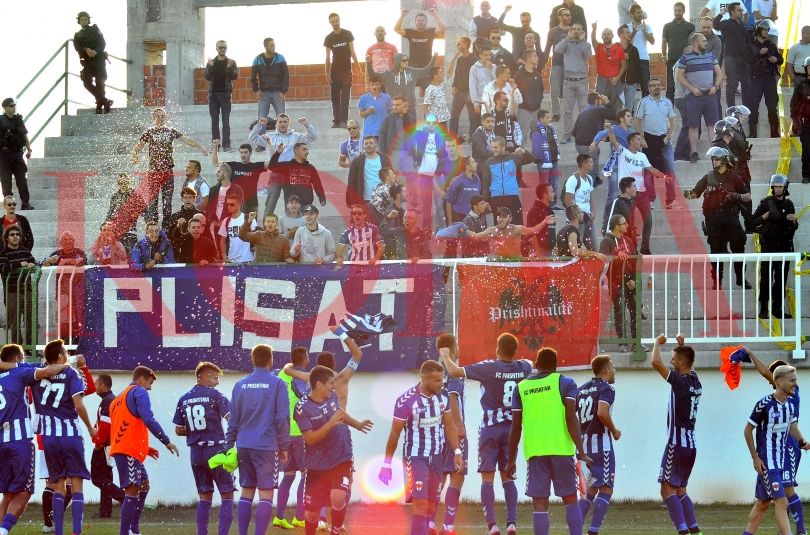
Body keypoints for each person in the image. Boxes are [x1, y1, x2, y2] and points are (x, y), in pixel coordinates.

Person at [442, 333, 533, 535]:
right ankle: (512, 523)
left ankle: (492, 526)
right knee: (508, 478)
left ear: (497, 349)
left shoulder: (489, 367)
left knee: (487, 479)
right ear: (515, 351)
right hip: (511, 430)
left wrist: (446, 356)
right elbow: (530, 363)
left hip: (490, 430)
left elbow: (454, 371)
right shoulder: (523, 367)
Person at [504, 347, 590, 535]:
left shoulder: (521, 387)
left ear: (536, 364)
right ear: (556, 366)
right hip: (562, 450)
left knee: (540, 503)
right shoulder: (565, 383)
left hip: (535, 452)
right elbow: (571, 418)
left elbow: (515, 427)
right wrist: (581, 450)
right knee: (570, 498)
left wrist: (511, 460)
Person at [380, 360, 463, 535]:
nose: (441, 383)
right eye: (437, 380)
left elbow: (449, 425)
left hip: (437, 457)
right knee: (420, 504)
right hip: (415, 457)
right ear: (424, 380)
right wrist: (387, 464)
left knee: (431, 505)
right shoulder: (406, 401)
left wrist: (457, 452)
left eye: (442, 379)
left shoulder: (443, 396)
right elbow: (394, 433)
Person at [0, 344, 70, 535]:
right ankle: (4, 530)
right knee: (24, 491)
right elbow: (48, 371)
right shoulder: (19, 372)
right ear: (17, 359)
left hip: (1, 442)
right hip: (19, 440)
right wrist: (68, 364)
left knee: (8, 494)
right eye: (22, 358)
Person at [296, 366, 373, 535]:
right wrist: (330, 424)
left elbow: (340, 414)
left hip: (341, 457)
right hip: (316, 464)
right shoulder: (302, 408)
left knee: (338, 498)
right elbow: (310, 439)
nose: (333, 386)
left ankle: (336, 531)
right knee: (312, 513)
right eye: (331, 383)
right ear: (319, 385)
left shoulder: (332, 396)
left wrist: (358, 424)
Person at [30, 340, 97, 535]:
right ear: (60, 356)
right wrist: (90, 428)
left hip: (49, 438)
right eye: (65, 353)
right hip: (70, 435)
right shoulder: (70, 373)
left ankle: (58, 531)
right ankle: (76, 531)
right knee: (76, 485)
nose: (67, 356)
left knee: (58, 486)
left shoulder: (36, 373)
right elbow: (79, 405)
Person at [223, 344, 289, 535]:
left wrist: (228, 445)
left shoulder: (240, 385)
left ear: (252, 360)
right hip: (267, 447)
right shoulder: (278, 384)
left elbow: (233, 419)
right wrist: (284, 446)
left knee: (247, 491)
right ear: (271, 360)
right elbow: (282, 418)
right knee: (266, 494)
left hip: (243, 445)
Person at [109, 366, 180, 535]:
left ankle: (134, 529)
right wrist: (166, 441)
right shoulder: (139, 391)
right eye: (149, 383)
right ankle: (125, 532)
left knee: (144, 486)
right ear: (141, 379)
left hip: (125, 449)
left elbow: (123, 427)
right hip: (128, 451)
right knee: (132, 490)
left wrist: (145, 448)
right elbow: (148, 419)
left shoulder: (117, 400)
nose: (150, 388)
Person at [744, 352, 807, 535]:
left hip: (785, 453)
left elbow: (793, 427)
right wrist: (755, 457)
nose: (796, 384)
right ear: (779, 381)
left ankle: (799, 530)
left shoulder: (789, 402)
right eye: (793, 380)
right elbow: (747, 429)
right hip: (768, 462)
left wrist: (802, 441)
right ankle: (798, 532)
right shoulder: (765, 404)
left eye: (795, 380)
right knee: (778, 501)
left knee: (767, 502)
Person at [650, 334, 703, 535]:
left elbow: (656, 363)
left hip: (677, 443)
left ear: (681, 362)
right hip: (690, 445)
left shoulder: (680, 382)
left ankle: (682, 531)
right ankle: (694, 531)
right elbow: (689, 361)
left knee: (666, 489)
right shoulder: (695, 381)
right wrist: (682, 346)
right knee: (680, 490)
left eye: (673, 358)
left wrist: (657, 343)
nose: (671, 361)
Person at [173, 362, 234, 535]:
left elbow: (178, 430)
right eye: (215, 378)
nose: (217, 382)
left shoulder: (184, 398)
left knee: (205, 496)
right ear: (206, 376)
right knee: (227, 494)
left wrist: (197, 430)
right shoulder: (215, 395)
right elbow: (232, 419)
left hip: (196, 454)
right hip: (215, 450)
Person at [684, 146, 751, 288]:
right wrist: (688, 194)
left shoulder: (734, 177)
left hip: (731, 217)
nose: (714, 161)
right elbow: (695, 193)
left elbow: (747, 196)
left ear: (725, 160)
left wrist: (737, 196)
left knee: (738, 246)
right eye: (713, 159)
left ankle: (741, 278)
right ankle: (716, 281)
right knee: (716, 249)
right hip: (713, 219)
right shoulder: (708, 177)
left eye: (717, 159)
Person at [131, 108, 209, 225]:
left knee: (167, 203)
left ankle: (166, 227)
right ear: (153, 118)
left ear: (165, 118)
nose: (160, 118)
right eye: (157, 116)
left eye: (162, 116)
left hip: (167, 173)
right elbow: (138, 146)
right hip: (154, 174)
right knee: (153, 203)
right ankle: (153, 227)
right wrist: (134, 156)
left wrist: (200, 147)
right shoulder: (149, 132)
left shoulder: (170, 131)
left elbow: (186, 140)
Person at [576, 355, 621, 533]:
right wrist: (614, 430)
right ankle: (593, 531)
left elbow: (570, 416)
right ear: (606, 370)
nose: (615, 371)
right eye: (613, 367)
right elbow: (602, 413)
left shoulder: (581, 390)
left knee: (589, 491)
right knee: (606, 488)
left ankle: (576, 529)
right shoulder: (607, 388)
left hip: (583, 447)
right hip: (602, 447)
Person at [608, 128, 669, 255]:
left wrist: (664, 176)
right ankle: (631, 248)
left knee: (648, 221)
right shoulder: (623, 152)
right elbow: (613, 142)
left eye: (640, 140)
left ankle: (645, 248)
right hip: (628, 194)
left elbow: (651, 169)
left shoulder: (642, 156)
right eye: (638, 139)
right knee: (628, 222)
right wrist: (609, 130)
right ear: (631, 141)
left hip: (641, 193)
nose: (640, 142)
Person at [432, 335, 468, 535]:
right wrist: (459, 426)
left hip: (439, 430)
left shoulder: (434, 372)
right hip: (453, 431)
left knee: (440, 476)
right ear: (453, 349)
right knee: (456, 476)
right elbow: (453, 397)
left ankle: (430, 523)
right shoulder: (453, 370)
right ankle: (447, 526)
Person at [751, 174, 798, 319]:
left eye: (780, 186)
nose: (778, 189)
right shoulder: (766, 203)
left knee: (781, 279)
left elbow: (793, 227)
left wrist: (794, 221)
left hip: (784, 246)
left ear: (785, 188)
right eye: (775, 186)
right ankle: (764, 309)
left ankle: (777, 309)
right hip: (769, 247)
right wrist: (765, 216)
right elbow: (753, 222)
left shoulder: (789, 204)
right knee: (765, 279)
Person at [676, 32, 723, 163]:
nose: (706, 43)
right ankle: (694, 152)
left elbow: (719, 73)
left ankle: (714, 152)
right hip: (693, 96)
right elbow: (679, 76)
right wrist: (692, 89)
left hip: (710, 95)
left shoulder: (711, 55)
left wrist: (715, 87)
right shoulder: (685, 58)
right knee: (693, 126)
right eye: (703, 41)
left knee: (712, 125)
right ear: (695, 43)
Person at [600, 214, 641, 350]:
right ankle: (622, 343)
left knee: (635, 310)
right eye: (624, 223)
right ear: (616, 226)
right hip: (615, 280)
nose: (627, 225)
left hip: (630, 280)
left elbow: (635, 260)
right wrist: (616, 255)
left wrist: (633, 279)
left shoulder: (628, 240)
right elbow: (603, 260)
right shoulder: (607, 241)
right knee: (620, 311)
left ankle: (636, 343)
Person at [634, 78, 677, 207]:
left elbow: (673, 122)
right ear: (649, 88)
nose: (656, 87)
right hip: (648, 140)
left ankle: (671, 200)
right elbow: (637, 121)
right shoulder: (643, 102)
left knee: (670, 169)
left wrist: (668, 137)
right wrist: (642, 139)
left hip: (664, 140)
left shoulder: (667, 102)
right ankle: (650, 200)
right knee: (648, 172)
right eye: (653, 85)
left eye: (658, 85)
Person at [90, 374, 125, 519]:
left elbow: (105, 427)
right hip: (110, 446)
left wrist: (98, 443)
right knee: (106, 478)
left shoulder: (107, 401)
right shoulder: (111, 400)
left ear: (104, 385)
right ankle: (105, 510)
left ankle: (123, 497)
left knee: (97, 478)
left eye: (97, 384)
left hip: (104, 446)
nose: (95, 387)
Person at [464, 206, 555, 260]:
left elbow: (534, 230)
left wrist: (545, 222)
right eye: (499, 217)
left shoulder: (516, 229)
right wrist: (463, 229)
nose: (500, 219)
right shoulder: (493, 230)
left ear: (510, 218)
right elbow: (476, 236)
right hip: (501, 264)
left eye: (503, 217)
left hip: (516, 263)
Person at [481, 137, 535, 224]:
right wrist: (485, 200)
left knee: (517, 225)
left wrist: (523, 151)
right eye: (492, 147)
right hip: (496, 198)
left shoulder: (514, 158)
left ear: (503, 147)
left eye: (496, 147)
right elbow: (486, 182)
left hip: (512, 197)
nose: (493, 150)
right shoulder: (489, 162)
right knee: (500, 226)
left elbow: (533, 158)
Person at [371, 53, 437, 123]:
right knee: (396, 130)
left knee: (411, 129)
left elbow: (426, 71)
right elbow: (373, 76)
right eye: (404, 61)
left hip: (410, 108)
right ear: (397, 61)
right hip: (394, 109)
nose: (407, 62)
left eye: (407, 60)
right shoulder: (388, 75)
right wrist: (368, 63)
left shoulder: (412, 72)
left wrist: (434, 58)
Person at [266, 142, 326, 218]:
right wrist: (277, 153)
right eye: (304, 149)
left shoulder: (311, 168)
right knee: (291, 225)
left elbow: (317, 184)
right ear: (297, 151)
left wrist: (321, 197)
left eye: (307, 150)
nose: (307, 152)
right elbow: (271, 166)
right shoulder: (287, 166)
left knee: (306, 225)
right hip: (291, 205)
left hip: (306, 204)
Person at [555, 23, 592, 144]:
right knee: (567, 111)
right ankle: (567, 136)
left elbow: (588, 55)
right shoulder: (566, 43)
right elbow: (557, 49)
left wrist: (583, 41)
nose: (576, 31)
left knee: (584, 110)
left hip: (582, 81)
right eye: (574, 29)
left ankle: (584, 135)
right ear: (570, 31)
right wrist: (567, 38)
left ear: (582, 31)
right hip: (568, 82)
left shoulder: (586, 44)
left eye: (578, 29)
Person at [745, 20, 782, 138]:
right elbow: (748, 60)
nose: (767, 32)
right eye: (764, 30)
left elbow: (780, 59)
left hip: (769, 78)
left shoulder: (771, 45)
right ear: (758, 30)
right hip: (755, 79)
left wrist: (776, 60)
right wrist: (759, 53)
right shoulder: (750, 45)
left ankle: (775, 132)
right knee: (753, 106)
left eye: (768, 30)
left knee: (772, 105)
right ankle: (753, 133)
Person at [0, 226, 35, 345]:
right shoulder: (4, 253)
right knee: (15, 323)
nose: (15, 237)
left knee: (30, 321)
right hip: (12, 292)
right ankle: (17, 349)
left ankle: (30, 348)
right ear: (7, 238)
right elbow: (3, 268)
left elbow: (33, 262)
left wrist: (32, 264)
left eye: (17, 234)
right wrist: (19, 264)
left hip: (27, 291)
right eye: (12, 234)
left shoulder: (25, 251)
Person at [324, 13, 360, 128]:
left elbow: (353, 52)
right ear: (330, 23)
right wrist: (327, 73)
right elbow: (327, 57)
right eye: (333, 21)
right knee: (335, 97)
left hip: (346, 71)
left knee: (345, 97)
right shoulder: (329, 38)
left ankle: (344, 120)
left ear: (339, 20)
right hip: (335, 71)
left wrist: (358, 67)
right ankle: (336, 120)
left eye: (336, 20)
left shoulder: (347, 34)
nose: (335, 23)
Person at [213, 141, 265, 216]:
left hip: (251, 205)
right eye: (241, 152)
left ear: (250, 153)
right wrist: (215, 146)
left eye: (245, 152)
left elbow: (272, 163)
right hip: (235, 204)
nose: (243, 155)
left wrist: (269, 143)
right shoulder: (233, 165)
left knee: (252, 224)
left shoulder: (256, 166)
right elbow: (215, 162)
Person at [74, 12, 111, 114]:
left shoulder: (94, 29)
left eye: (85, 19)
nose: (84, 21)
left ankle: (100, 105)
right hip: (87, 61)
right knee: (86, 82)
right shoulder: (77, 35)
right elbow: (77, 47)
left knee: (100, 82)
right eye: (82, 19)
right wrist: (86, 49)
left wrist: (96, 51)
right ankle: (105, 101)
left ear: (88, 20)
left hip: (99, 59)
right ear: (79, 21)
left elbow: (102, 43)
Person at [714, 3, 750, 109]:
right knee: (732, 84)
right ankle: (731, 110)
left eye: (741, 10)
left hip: (743, 58)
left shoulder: (742, 25)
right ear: (732, 12)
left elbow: (747, 42)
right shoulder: (726, 23)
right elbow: (715, 25)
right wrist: (721, 13)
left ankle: (746, 109)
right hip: (731, 57)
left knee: (746, 84)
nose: (741, 12)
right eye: (739, 10)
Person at [205, 40, 238, 152]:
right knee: (214, 122)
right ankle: (216, 146)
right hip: (213, 96)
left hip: (225, 96)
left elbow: (234, 76)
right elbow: (207, 77)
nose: (222, 49)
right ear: (216, 48)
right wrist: (210, 66)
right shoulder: (211, 62)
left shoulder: (231, 62)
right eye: (220, 47)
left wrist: (228, 68)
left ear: (226, 48)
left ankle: (226, 145)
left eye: (224, 47)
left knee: (226, 122)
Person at [0, 99, 33, 210]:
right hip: (4, 155)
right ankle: (9, 206)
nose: (14, 107)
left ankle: (25, 203)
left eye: (14, 105)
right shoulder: (0, 120)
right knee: (6, 182)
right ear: (4, 107)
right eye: (11, 106)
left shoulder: (18, 119)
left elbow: (24, 135)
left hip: (17, 154)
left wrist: (29, 149)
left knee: (21, 179)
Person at [662, 3, 695, 103]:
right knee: (670, 86)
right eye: (675, 10)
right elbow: (664, 41)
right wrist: (664, 56)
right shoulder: (667, 26)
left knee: (688, 84)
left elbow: (693, 43)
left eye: (679, 10)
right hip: (672, 59)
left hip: (687, 60)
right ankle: (668, 110)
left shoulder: (690, 26)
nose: (677, 12)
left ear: (683, 11)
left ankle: (689, 108)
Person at [572, 92, 614, 171]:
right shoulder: (599, 109)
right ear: (596, 101)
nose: (601, 101)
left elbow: (574, 132)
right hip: (588, 146)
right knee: (592, 172)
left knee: (596, 152)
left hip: (579, 145)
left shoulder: (582, 111)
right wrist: (607, 102)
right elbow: (613, 115)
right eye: (600, 100)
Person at [347, 136, 393, 208]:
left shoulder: (385, 159)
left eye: (371, 143)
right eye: (366, 143)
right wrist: (353, 202)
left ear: (376, 145)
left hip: (384, 198)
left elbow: (392, 177)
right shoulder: (357, 162)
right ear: (363, 146)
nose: (368, 145)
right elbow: (351, 182)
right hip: (366, 199)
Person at [562, 153, 596, 250]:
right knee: (576, 249)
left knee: (594, 248)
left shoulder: (589, 179)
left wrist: (593, 212)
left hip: (588, 220)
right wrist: (578, 215)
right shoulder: (573, 180)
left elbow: (590, 197)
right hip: (577, 221)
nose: (593, 164)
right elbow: (568, 201)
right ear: (584, 164)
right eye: (590, 162)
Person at [544, 8, 573, 122]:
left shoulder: (573, 30)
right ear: (559, 17)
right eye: (566, 15)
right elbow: (547, 49)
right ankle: (556, 114)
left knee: (569, 92)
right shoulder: (553, 31)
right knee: (554, 91)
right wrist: (543, 65)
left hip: (570, 67)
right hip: (556, 65)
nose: (569, 16)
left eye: (569, 14)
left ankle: (568, 114)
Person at [447, 36, 478, 137]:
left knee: (473, 116)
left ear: (465, 44)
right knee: (454, 116)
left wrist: (472, 93)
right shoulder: (459, 59)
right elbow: (456, 75)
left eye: (459, 43)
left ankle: (473, 139)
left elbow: (476, 78)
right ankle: (452, 139)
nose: (457, 45)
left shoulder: (474, 59)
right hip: (459, 92)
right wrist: (454, 86)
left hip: (469, 92)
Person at [251, 37, 289, 120]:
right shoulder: (257, 59)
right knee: (261, 119)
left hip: (278, 93)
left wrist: (283, 91)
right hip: (264, 94)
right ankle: (261, 130)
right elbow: (253, 77)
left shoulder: (280, 58)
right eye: (271, 45)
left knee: (282, 119)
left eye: (274, 45)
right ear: (265, 47)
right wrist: (256, 90)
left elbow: (286, 76)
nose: (274, 47)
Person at [591, 23, 626, 109]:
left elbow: (624, 65)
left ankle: (616, 118)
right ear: (601, 36)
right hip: (602, 81)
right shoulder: (598, 47)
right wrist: (594, 29)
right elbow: (593, 39)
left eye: (608, 34)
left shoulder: (619, 48)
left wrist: (617, 78)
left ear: (612, 36)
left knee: (617, 106)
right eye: (604, 34)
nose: (606, 36)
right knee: (600, 105)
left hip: (615, 81)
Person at [530, 110, 561, 205]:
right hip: (543, 162)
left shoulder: (551, 128)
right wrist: (543, 160)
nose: (550, 119)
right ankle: (544, 205)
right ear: (541, 119)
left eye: (550, 117)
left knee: (554, 184)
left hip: (554, 160)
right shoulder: (536, 130)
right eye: (548, 117)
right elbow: (536, 149)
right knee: (544, 185)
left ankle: (553, 205)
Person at [105, 173, 141, 253]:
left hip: (130, 232)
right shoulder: (115, 196)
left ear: (129, 182)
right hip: (116, 231)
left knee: (130, 255)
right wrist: (105, 224)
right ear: (118, 184)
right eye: (120, 183)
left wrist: (149, 222)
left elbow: (145, 211)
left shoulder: (135, 195)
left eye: (125, 183)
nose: (123, 185)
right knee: (111, 253)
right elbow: (110, 213)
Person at [514, 51, 544, 146]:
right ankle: (520, 154)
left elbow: (541, 90)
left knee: (537, 135)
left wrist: (538, 101)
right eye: (535, 56)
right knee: (522, 136)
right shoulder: (518, 75)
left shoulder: (537, 74)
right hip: (524, 110)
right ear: (528, 58)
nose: (537, 58)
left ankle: (537, 154)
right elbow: (515, 92)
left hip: (536, 110)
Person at [218, 191, 256, 263]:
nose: (229, 206)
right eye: (227, 204)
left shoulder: (248, 218)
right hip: (231, 260)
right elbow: (222, 241)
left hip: (248, 259)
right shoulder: (226, 221)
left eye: (232, 204)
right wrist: (224, 255)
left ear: (239, 205)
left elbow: (256, 237)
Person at [791, 57, 810, 183]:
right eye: (809, 67)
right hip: (806, 122)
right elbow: (794, 105)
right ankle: (806, 175)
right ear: (806, 69)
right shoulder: (801, 85)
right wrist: (796, 122)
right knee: (807, 150)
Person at [628, 4, 654, 97]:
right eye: (637, 13)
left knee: (646, 87)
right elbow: (626, 43)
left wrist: (644, 31)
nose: (640, 14)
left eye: (641, 12)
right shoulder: (627, 27)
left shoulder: (647, 26)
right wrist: (633, 33)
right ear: (632, 14)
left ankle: (645, 105)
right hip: (631, 60)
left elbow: (652, 41)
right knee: (630, 87)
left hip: (643, 58)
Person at [378, 97, 412, 168]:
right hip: (392, 153)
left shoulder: (409, 118)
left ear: (404, 105)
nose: (394, 107)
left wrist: (405, 114)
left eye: (398, 105)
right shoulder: (388, 119)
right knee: (394, 173)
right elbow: (382, 136)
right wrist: (383, 154)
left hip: (406, 153)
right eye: (393, 105)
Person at [526, 183, 557, 257]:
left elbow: (552, 231)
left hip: (550, 251)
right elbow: (531, 234)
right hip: (540, 252)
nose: (554, 194)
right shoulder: (534, 211)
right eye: (551, 192)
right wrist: (539, 253)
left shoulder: (550, 211)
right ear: (545, 195)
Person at [618, 25, 641, 112]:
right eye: (627, 32)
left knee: (628, 110)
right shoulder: (614, 48)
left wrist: (637, 82)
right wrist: (621, 57)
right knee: (617, 109)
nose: (630, 34)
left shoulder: (634, 49)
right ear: (621, 35)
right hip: (618, 83)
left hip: (631, 84)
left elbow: (638, 67)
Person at [469, 46, 496, 118]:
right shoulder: (474, 68)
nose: (488, 57)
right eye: (485, 55)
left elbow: (497, 82)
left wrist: (491, 70)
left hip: (493, 101)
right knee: (479, 122)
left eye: (489, 55)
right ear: (480, 55)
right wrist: (475, 103)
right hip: (481, 102)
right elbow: (472, 86)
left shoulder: (494, 67)